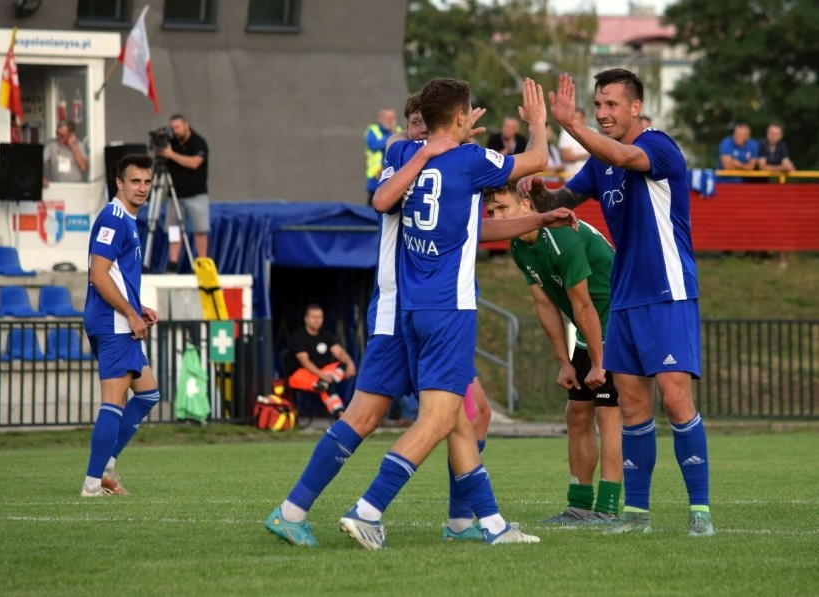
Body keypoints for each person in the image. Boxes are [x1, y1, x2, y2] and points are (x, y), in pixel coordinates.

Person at [266, 93, 539, 548]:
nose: (417, 130)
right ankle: (391, 513)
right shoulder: (406, 156)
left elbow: (478, 230)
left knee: (464, 413)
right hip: (404, 309)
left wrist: (541, 217)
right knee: (428, 414)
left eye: (422, 123)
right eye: (412, 124)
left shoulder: (442, 164)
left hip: (409, 307)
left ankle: (471, 522)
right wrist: (432, 142)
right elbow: (386, 188)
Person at [336, 77, 576, 550]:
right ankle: (367, 510)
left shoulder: (404, 154)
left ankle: (484, 524)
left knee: (467, 418)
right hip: (450, 309)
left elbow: (459, 212)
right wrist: (539, 123)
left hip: (412, 307)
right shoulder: (470, 161)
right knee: (439, 420)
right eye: (467, 116)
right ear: (464, 118)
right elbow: (536, 161)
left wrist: (452, 134)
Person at [524, 69, 714, 537]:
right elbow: (562, 196)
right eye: (598, 105)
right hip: (627, 297)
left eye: (612, 105)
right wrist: (536, 190)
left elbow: (626, 156)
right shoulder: (597, 163)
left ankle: (700, 512)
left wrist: (572, 126)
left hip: (667, 289)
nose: (604, 113)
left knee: (674, 398)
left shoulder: (658, 145)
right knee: (631, 407)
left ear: (635, 107)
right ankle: (637, 516)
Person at [485, 183, 623, 526]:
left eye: (503, 209)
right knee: (577, 414)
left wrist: (600, 362)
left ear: (527, 204)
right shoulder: (520, 244)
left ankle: (606, 509)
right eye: (491, 213)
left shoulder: (560, 236)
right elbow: (544, 303)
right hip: (591, 329)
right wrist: (564, 362)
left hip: (620, 324)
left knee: (608, 414)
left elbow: (584, 304)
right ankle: (578, 506)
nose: (496, 217)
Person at [80, 153, 161, 497]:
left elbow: (113, 275)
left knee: (148, 394)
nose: (142, 188)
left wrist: (136, 306)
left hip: (119, 319)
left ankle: (107, 466)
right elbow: (98, 274)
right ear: (119, 183)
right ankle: (93, 483)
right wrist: (129, 313)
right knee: (113, 401)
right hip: (112, 324)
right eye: (135, 181)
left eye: (146, 182)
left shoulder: (127, 220)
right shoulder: (114, 218)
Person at [156, 114, 209, 271]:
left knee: (200, 230)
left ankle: (202, 263)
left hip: (196, 195)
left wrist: (171, 154)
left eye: (178, 127)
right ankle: (173, 262)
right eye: (173, 128)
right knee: (174, 230)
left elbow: (194, 163)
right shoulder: (171, 143)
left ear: (186, 125)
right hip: (175, 196)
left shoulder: (199, 142)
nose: (176, 131)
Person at [286, 304, 357, 419]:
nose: (317, 320)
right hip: (301, 374)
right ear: (306, 319)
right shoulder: (298, 337)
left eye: (319, 317)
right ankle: (340, 414)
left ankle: (339, 412)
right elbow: (305, 362)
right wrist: (322, 376)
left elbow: (339, 352)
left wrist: (350, 363)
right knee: (325, 384)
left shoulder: (326, 335)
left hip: (323, 373)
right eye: (313, 317)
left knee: (343, 364)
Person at [757, 122, 795, 267]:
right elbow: (762, 166)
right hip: (760, 190)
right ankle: (760, 254)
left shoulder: (782, 146)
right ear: (767, 133)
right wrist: (781, 168)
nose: (773, 136)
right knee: (761, 220)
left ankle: (782, 257)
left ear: (781, 136)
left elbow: (788, 165)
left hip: (778, 191)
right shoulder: (761, 144)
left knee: (782, 221)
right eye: (771, 133)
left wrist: (788, 167)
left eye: (776, 134)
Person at [364, 107, 400, 204]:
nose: (390, 120)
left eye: (393, 118)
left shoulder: (398, 131)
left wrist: (393, 133)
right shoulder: (373, 130)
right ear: (380, 119)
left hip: (393, 177)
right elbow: (375, 145)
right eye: (387, 117)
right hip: (375, 177)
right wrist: (391, 135)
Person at [43, 120, 88, 184]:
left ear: (70, 135)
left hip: (76, 186)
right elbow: (37, 163)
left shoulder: (79, 145)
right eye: (57, 133)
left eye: (62, 135)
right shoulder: (52, 146)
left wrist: (74, 147)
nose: (58, 137)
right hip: (58, 186)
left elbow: (83, 167)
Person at [558, 108, 592, 177]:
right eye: (573, 118)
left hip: (592, 175)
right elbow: (567, 156)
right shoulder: (566, 133)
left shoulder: (594, 132)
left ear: (584, 118)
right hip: (572, 176)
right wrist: (589, 154)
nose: (575, 121)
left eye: (577, 118)